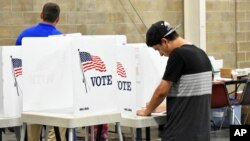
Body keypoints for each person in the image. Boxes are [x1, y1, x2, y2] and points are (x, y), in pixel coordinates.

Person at [136, 20, 212, 141]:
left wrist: (147, 110)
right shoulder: (201, 54)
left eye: (158, 49)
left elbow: (162, 90)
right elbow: (191, 98)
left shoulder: (178, 54)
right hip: (201, 133)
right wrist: (160, 107)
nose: (160, 54)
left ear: (164, 41)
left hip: (180, 133)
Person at [15, 2, 67, 141]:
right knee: (55, 134)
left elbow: (17, 65)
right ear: (58, 19)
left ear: (41, 15)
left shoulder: (23, 36)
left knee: (32, 135)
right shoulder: (62, 39)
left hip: (31, 95)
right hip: (55, 96)